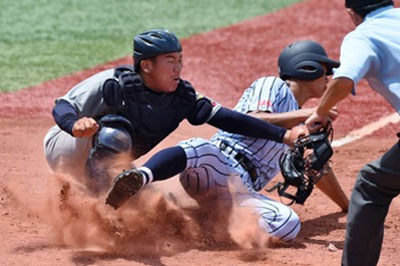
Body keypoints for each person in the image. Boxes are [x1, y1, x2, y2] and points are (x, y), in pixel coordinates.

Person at [106, 40, 349, 242]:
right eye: (325, 70)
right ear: (307, 67)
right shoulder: (273, 86)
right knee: (201, 148)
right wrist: (308, 114)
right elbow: (255, 118)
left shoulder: (302, 126)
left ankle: (204, 225)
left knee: (289, 224)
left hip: (240, 193)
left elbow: (316, 167)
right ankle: (141, 177)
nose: (329, 77)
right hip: (216, 166)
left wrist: (347, 206)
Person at [43, 28, 301, 198]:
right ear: (146, 65)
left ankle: (94, 200)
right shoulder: (114, 82)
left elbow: (230, 119)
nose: (178, 67)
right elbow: (63, 104)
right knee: (114, 134)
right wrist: (75, 124)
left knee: (149, 202)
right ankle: (97, 205)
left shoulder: (182, 97)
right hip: (67, 147)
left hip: (106, 162)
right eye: (170, 61)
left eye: (180, 60)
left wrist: (283, 135)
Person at [305, 1, 400, 265]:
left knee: (372, 185)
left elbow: (345, 79)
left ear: (352, 13)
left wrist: (321, 111)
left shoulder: (363, 35)